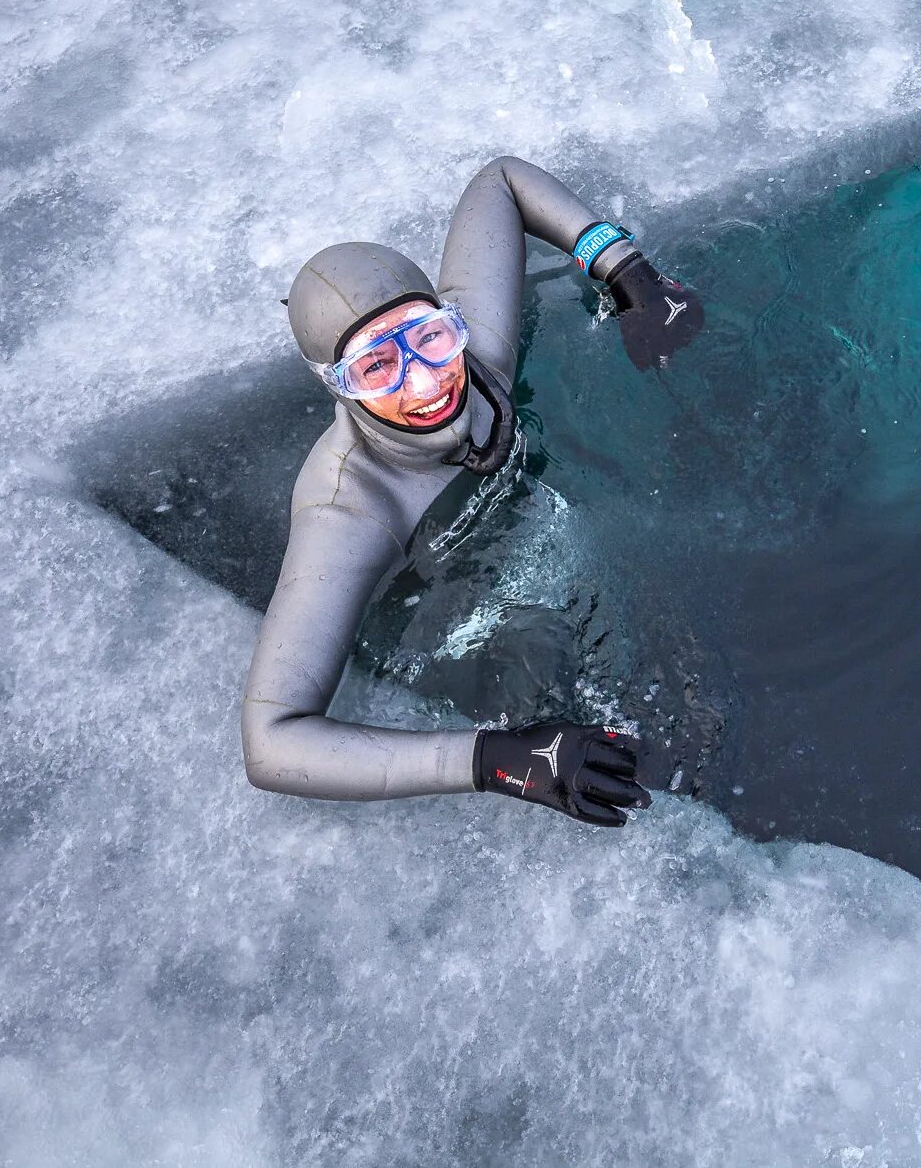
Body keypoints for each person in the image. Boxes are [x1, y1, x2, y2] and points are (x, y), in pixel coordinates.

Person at [239, 156, 703, 825]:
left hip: (541, 534)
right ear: (340, 387)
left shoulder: (479, 355)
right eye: (378, 366)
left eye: (429, 337)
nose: (427, 382)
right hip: (441, 614)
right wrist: (496, 760)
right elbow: (272, 743)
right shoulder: (350, 511)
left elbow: (502, 180)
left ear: (450, 319)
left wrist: (625, 270)